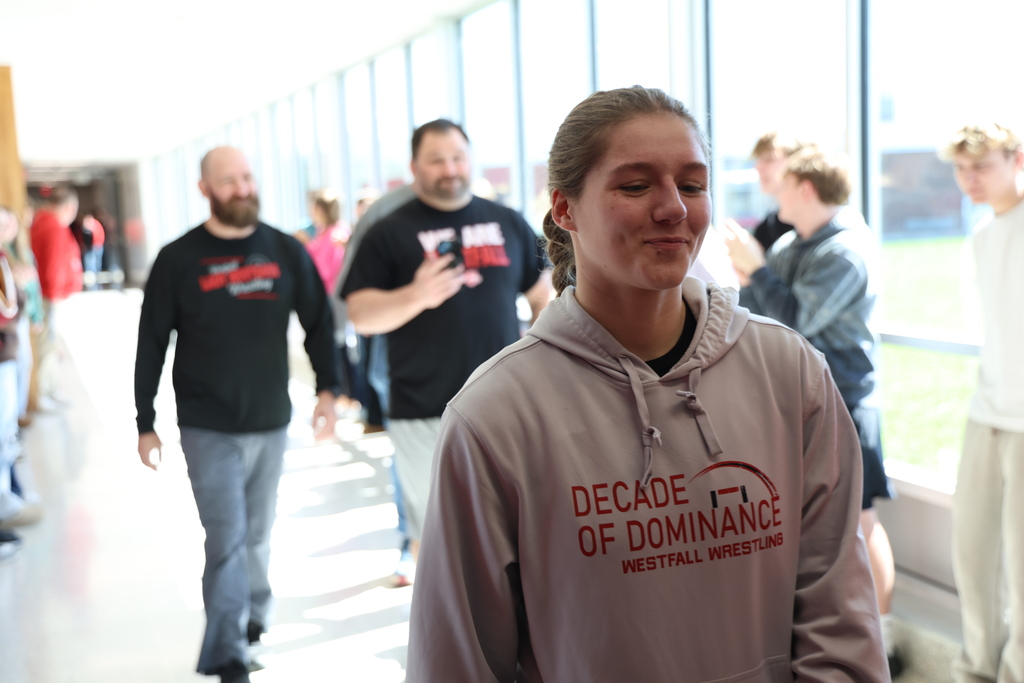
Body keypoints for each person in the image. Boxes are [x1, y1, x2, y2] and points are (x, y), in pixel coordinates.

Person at [406, 86, 888, 681]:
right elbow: (459, 660)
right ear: (565, 209)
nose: (674, 209)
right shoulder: (495, 416)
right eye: (635, 186)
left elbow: (839, 619)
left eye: (692, 185)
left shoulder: (789, 373)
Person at [134, 146, 340, 683]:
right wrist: (144, 421)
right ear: (204, 189)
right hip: (208, 425)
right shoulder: (178, 259)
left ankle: (252, 617)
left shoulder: (284, 250)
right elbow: (151, 341)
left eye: (246, 177)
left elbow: (319, 321)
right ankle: (227, 654)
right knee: (227, 538)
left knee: (258, 534)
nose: (242, 188)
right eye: (227, 181)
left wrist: (328, 390)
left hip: (271, 419)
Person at [341, 119, 550, 571]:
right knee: (436, 533)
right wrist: (416, 295)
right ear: (415, 167)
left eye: (458, 158)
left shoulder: (506, 221)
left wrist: (541, 351)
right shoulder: (389, 231)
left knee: (513, 526)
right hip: (422, 407)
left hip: (502, 404)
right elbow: (361, 314)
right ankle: (441, 614)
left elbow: (541, 292)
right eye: (437, 160)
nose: (450, 169)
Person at [724, 148, 899, 674]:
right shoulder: (789, 245)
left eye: (781, 183)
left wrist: (756, 269)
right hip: (795, 401)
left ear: (804, 188)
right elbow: (756, 317)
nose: (771, 192)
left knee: (859, 521)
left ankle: (881, 639)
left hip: (846, 402)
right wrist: (755, 274)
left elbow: (796, 321)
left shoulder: (845, 251)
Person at [944, 123, 1024, 683]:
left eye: (981, 166)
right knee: (972, 560)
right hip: (986, 412)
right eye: (960, 169)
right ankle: (975, 671)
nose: (969, 179)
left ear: (1017, 160)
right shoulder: (981, 234)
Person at [29, 185, 83, 406]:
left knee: (51, 345)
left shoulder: (46, 223)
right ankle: (44, 393)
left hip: (49, 295)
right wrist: (54, 296)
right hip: (49, 296)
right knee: (47, 345)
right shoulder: (52, 227)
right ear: (69, 207)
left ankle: (50, 389)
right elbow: (53, 267)